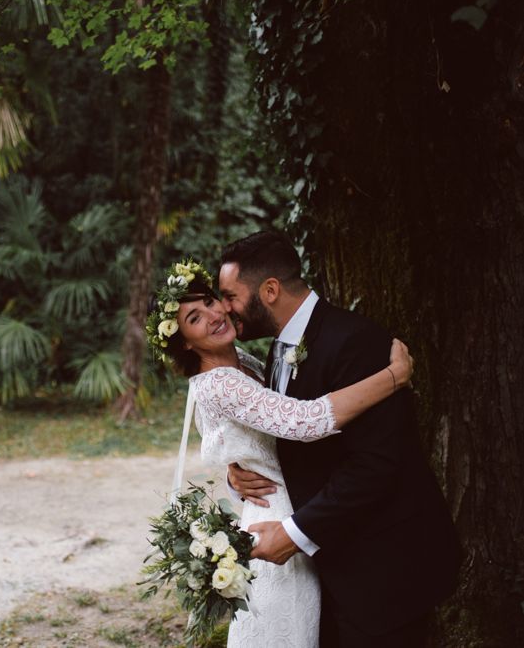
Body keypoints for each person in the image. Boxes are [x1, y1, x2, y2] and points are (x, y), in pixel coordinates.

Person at [146, 259, 414, 647]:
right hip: (277, 525)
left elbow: (233, 439)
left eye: (209, 301)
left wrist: (234, 476)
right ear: (184, 341)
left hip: (299, 509)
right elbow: (305, 422)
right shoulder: (218, 383)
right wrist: (392, 378)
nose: (214, 314)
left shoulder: (246, 363)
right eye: (194, 317)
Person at [218, 231, 462, 647]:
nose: (223, 308)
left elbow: (377, 465)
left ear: (270, 290)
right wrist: (240, 474)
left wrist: (294, 535)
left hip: (382, 571)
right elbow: (285, 442)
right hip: (327, 571)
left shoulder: (355, 341)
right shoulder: (274, 353)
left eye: (229, 295)